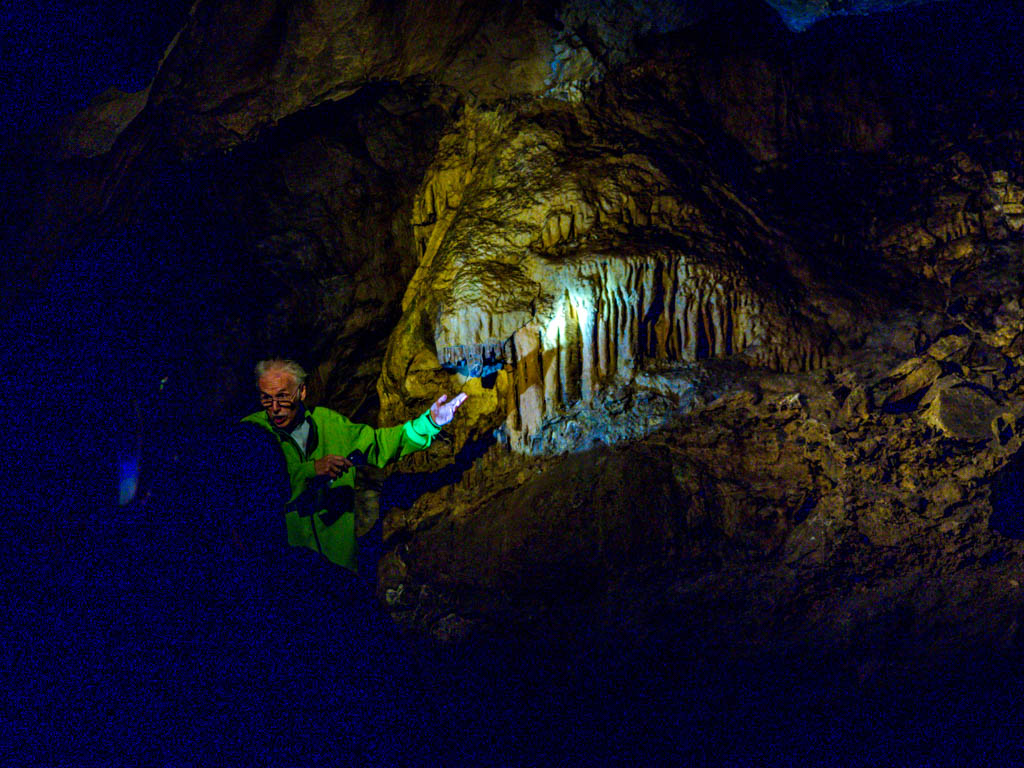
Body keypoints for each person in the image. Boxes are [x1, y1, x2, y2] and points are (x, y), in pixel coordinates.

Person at [241, 358, 467, 573]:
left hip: (337, 565)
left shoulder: (328, 423)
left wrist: (428, 423)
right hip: (283, 571)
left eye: (282, 397)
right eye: (266, 399)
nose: (275, 407)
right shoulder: (252, 432)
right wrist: (311, 470)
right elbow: (252, 487)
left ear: (301, 392)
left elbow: (378, 445)